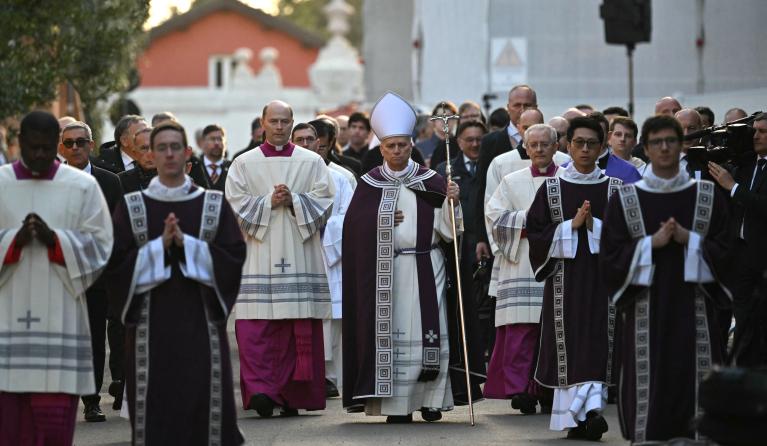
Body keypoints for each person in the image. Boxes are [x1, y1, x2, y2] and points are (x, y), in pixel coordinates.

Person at [108, 121, 246, 445]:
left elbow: (232, 258)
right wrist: (159, 248)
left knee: (203, 409)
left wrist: (187, 245)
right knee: (158, 412)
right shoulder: (132, 206)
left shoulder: (213, 203)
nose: (168, 154)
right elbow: (114, 266)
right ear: (150, 155)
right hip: (149, 330)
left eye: (175, 147)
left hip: (202, 329)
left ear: (187, 154)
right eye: (161, 148)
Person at [342, 92, 474, 423]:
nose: (397, 151)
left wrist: (452, 203)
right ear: (381, 148)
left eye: (402, 145)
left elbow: (451, 233)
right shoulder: (369, 183)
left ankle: (431, 400)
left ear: (411, 143)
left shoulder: (433, 181)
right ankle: (396, 406)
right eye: (391, 146)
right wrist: (381, 221)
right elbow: (354, 232)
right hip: (387, 272)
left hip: (428, 266)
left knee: (432, 332)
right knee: (393, 337)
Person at [601, 115, 731, 443]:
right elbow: (611, 255)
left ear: (681, 144)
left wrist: (691, 240)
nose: (664, 148)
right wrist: (650, 244)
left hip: (695, 306)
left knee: (694, 377)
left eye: (670, 141)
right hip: (647, 306)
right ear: (645, 148)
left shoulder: (706, 195)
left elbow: (728, 250)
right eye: (656, 142)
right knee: (651, 378)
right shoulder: (627, 198)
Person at [0, 111, 113, 445]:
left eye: (46, 148)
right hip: (8, 318)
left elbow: (101, 245)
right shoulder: (1, 183)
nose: (38, 155)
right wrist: (12, 242)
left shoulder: (82, 186)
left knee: (54, 427)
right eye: (32, 148)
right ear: (20, 143)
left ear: (57, 146)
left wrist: (56, 242)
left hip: (60, 317)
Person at [226, 100, 334, 417]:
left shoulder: (312, 162)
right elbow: (234, 204)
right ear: (262, 122)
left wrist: (295, 201)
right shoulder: (243, 163)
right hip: (258, 255)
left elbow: (326, 200)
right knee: (257, 329)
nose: (279, 126)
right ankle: (262, 391)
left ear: (292, 123)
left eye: (285, 121)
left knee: (295, 328)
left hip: (299, 255)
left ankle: (293, 394)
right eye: (273, 121)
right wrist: (268, 202)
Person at [526, 116, 623, 440]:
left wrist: (594, 225)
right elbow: (537, 234)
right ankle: (577, 417)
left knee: (596, 343)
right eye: (578, 142)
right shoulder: (552, 188)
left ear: (602, 146)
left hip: (601, 283)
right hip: (564, 284)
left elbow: (627, 237)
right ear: (567, 145)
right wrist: (571, 226)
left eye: (591, 143)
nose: (584, 149)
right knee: (571, 344)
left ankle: (590, 413)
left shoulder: (615, 188)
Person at [484, 124, 564, 415]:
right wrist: (532, 221)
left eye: (545, 144)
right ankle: (521, 390)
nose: (540, 149)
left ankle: (550, 389)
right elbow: (494, 216)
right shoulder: (511, 180)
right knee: (522, 332)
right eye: (534, 145)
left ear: (556, 147)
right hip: (522, 262)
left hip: (559, 261)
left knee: (555, 331)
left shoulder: (568, 178)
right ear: (526, 148)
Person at [58, 121, 123, 423]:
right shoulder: (51, 181)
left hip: (97, 274)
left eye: (81, 142)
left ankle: (92, 399)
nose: (75, 148)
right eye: (69, 143)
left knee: (95, 338)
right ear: (61, 147)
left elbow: (117, 228)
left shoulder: (110, 182)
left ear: (92, 144)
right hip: (59, 274)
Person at [292, 122, 355, 398]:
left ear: (322, 143)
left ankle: (332, 376)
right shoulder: (290, 176)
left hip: (330, 255)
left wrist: (321, 228)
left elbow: (350, 218)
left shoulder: (340, 178)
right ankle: (306, 372)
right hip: (300, 254)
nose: (307, 145)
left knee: (333, 321)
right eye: (301, 140)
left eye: (311, 139)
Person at [709, 112, 767, 367]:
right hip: (740, 255)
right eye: (754, 131)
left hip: (763, 255)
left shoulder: (739, 175)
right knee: (742, 319)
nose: (756, 136)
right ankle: (746, 371)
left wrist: (732, 187)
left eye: (763, 132)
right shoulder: (747, 164)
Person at [118, 127, 157, 193]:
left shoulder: (176, 178)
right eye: (144, 148)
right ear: (134, 153)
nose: (150, 154)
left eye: (154, 147)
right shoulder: (120, 180)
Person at [200, 124, 231, 191]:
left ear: (225, 143)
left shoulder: (233, 168)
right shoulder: (194, 167)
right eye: (212, 139)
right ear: (202, 142)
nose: (216, 143)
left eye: (220, 139)